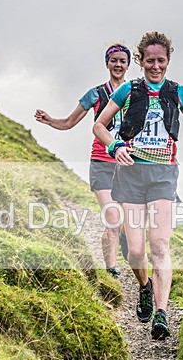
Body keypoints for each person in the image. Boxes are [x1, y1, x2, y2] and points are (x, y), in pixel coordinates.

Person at [93, 31, 183, 340]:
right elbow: (99, 125)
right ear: (140, 61)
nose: (155, 67)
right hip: (130, 175)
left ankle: (161, 312)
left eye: (161, 61)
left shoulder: (178, 92)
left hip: (163, 175)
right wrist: (115, 146)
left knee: (159, 244)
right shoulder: (129, 91)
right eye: (149, 61)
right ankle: (144, 286)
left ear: (168, 61)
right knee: (134, 251)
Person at [35, 44, 131, 276]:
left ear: (128, 65)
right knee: (112, 216)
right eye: (114, 60)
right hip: (101, 162)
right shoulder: (95, 94)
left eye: (122, 61)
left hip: (128, 164)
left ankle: (127, 243)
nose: (118, 65)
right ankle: (111, 269)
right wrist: (50, 121)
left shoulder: (134, 92)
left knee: (129, 222)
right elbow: (69, 122)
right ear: (107, 63)